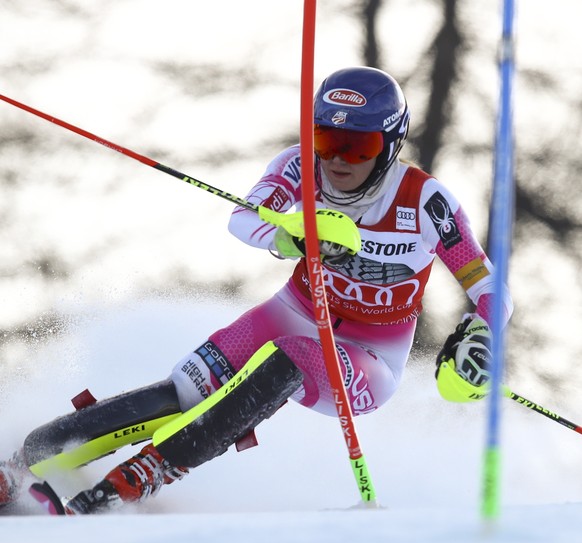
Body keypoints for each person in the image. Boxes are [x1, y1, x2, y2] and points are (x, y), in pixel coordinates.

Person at [0, 66, 513, 514]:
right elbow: (242, 218)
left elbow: (492, 287)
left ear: (390, 145)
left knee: (288, 359)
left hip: (368, 357)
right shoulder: (300, 168)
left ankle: (129, 485)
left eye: (359, 147)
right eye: (326, 140)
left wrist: (481, 334)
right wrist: (289, 235)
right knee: (184, 389)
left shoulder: (424, 201)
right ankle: (20, 467)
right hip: (293, 310)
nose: (338, 159)